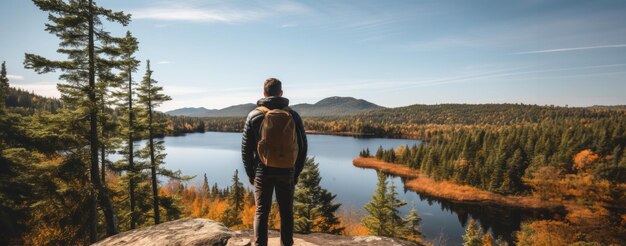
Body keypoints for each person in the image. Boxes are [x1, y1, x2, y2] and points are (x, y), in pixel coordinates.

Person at [242, 78, 308, 246]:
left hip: (262, 171)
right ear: (281, 93)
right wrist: (296, 172)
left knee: (261, 212)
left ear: (264, 93)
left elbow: (246, 148)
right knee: (286, 212)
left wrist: (251, 173)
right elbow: (302, 146)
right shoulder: (293, 115)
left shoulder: (254, 115)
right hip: (287, 170)